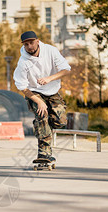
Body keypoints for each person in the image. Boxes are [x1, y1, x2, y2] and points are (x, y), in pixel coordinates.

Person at [13, 31, 71, 162]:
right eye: (26, 44)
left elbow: (66, 69)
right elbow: (22, 86)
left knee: (60, 121)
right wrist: (38, 101)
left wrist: (50, 78)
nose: (29, 47)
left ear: (38, 41)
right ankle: (44, 153)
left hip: (52, 90)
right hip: (34, 92)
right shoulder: (23, 62)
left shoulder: (50, 51)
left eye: (32, 43)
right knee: (42, 115)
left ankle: (43, 125)